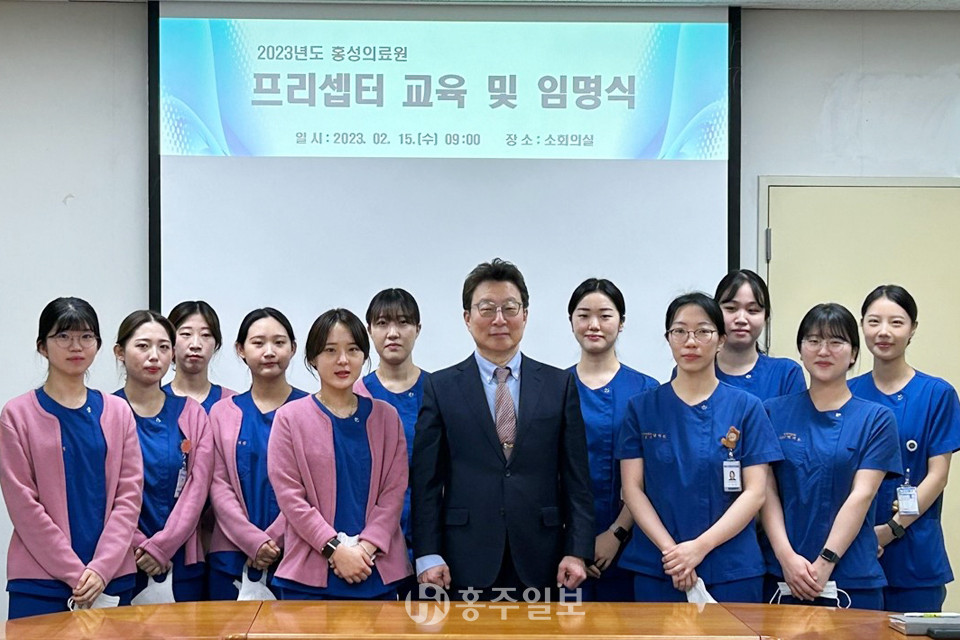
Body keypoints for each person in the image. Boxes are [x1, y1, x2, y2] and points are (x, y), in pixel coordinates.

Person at [412, 258, 594, 599]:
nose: (499, 319)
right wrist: (428, 553)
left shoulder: (558, 385)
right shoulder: (441, 387)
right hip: (463, 556)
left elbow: (577, 480)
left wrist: (577, 549)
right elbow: (426, 482)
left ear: (525, 315)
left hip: (545, 556)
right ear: (467, 318)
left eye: (510, 308)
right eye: (486, 309)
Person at [617, 292, 782, 603]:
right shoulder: (641, 408)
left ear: (721, 340)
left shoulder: (747, 408)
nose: (690, 341)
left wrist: (698, 548)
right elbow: (633, 489)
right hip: (659, 566)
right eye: (680, 331)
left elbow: (755, 493)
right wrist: (673, 553)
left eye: (703, 331)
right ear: (668, 338)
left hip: (731, 568)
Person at [0, 298, 142, 619]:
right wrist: (75, 572)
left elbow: (129, 497)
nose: (76, 346)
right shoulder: (17, 415)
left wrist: (101, 568)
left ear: (98, 345)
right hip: (39, 581)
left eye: (86, 336)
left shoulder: (118, 411)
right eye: (63, 336)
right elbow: (23, 505)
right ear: (42, 346)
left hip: (110, 578)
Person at [761, 303, 901, 611]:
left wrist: (826, 561)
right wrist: (786, 557)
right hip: (782, 575)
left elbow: (862, 495)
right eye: (813, 340)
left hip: (851, 577)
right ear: (801, 349)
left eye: (836, 341)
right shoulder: (773, 411)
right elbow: (766, 491)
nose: (823, 350)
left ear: (853, 353)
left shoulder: (877, 419)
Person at [269, 308, 411, 600]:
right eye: (330, 350)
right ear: (312, 358)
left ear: (364, 355)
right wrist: (334, 549)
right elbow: (290, 497)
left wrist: (365, 549)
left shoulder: (387, 417)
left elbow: (394, 493)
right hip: (308, 576)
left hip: (375, 570)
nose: (343, 360)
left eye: (353, 350)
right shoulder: (289, 418)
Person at [849, 285, 960, 612]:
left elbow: (938, 477)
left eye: (896, 322)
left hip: (915, 556)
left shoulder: (937, 393)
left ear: (912, 329)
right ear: (862, 326)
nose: (883, 332)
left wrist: (890, 530)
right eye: (874, 321)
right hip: (853, 550)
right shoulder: (847, 392)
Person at [567, 278, 658, 601]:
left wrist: (616, 533)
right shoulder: (553, 387)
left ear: (621, 322)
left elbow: (652, 475)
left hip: (632, 542)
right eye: (583, 315)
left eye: (605, 315)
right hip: (566, 549)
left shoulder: (646, 390)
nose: (594, 325)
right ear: (571, 321)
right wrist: (575, 543)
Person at [207, 308, 307, 599]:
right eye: (258, 343)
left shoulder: (311, 410)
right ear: (241, 349)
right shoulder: (222, 412)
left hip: (295, 553)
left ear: (293, 348)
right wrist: (252, 540)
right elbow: (218, 485)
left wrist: (274, 539)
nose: (269, 352)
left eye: (279, 342)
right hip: (231, 554)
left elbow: (313, 489)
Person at [114, 310, 213, 602]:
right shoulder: (106, 411)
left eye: (164, 347)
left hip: (181, 557)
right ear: (120, 352)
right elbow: (101, 493)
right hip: (120, 558)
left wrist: (162, 546)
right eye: (143, 346)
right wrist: (138, 544)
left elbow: (197, 488)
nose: (154, 356)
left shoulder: (191, 413)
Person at [353, 288, 428, 597]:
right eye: (383, 323)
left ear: (418, 329)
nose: (393, 333)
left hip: (429, 537)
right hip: (369, 539)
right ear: (369, 330)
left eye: (403, 322)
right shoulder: (355, 395)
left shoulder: (439, 392)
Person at [713, 269, 805, 400]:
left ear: (765, 318)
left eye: (752, 310)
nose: (741, 319)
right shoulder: (695, 371)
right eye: (731, 308)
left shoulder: (786, 374)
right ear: (714, 313)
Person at [163, 301, 236, 414]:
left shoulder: (234, 404)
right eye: (186, 334)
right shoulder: (153, 402)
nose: (195, 345)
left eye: (205, 335)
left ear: (216, 344)